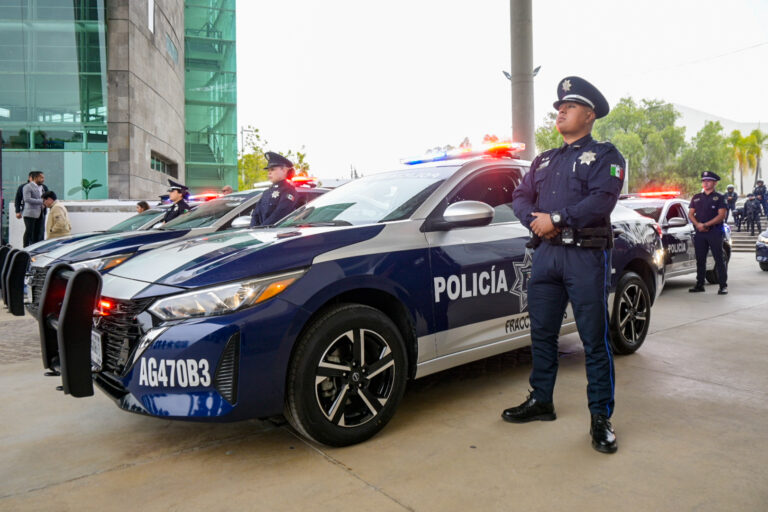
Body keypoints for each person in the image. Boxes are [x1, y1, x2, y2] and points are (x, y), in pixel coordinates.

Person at [506, 76, 625, 454]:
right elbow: (520, 197)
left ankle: (600, 418)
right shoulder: (544, 160)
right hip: (546, 256)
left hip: (584, 257)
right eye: (559, 108)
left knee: (593, 340)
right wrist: (536, 222)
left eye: (569, 107)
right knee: (541, 334)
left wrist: (555, 218)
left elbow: (600, 202)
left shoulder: (606, 156)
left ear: (589, 115)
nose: (560, 112)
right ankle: (542, 401)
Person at [688, 171, 728, 295]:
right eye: (704, 181)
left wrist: (705, 225)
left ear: (715, 183)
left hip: (714, 232)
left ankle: (722, 286)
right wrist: (698, 225)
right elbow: (690, 214)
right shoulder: (696, 197)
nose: (705, 183)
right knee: (700, 260)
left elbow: (721, 215)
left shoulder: (720, 198)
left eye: (708, 181)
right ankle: (700, 284)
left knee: (718, 259)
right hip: (700, 233)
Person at [250, 152, 297, 227]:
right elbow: (256, 214)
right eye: (268, 170)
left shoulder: (288, 190)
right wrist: (253, 228)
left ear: (284, 170)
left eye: (272, 169)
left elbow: (280, 214)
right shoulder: (267, 192)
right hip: (262, 233)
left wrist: (263, 228)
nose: (269, 173)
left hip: (278, 233)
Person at [21, 171, 47, 247]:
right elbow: (27, 199)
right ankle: (25, 248)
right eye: (41, 177)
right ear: (36, 178)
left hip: (40, 213)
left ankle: (35, 248)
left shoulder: (42, 187)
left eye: (43, 177)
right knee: (29, 232)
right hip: (30, 214)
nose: (43, 179)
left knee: (38, 232)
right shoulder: (27, 187)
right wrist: (42, 201)